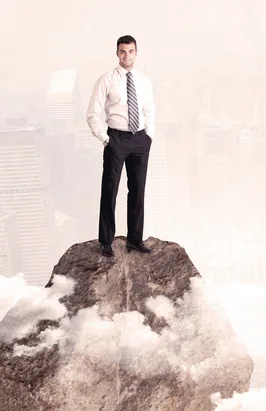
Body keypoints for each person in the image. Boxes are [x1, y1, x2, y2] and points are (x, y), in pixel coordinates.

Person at [86, 35, 155, 256]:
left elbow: (149, 110)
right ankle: (106, 242)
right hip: (116, 139)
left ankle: (135, 240)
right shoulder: (106, 80)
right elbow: (91, 114)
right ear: (117, 53)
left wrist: (149, 136)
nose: (127, 56)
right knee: (110, 190)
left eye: (131, 51)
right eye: (123, 51)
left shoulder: (144, 80)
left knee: (138, 191)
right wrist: (106, 139)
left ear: (136, 52)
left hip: (140, 139)